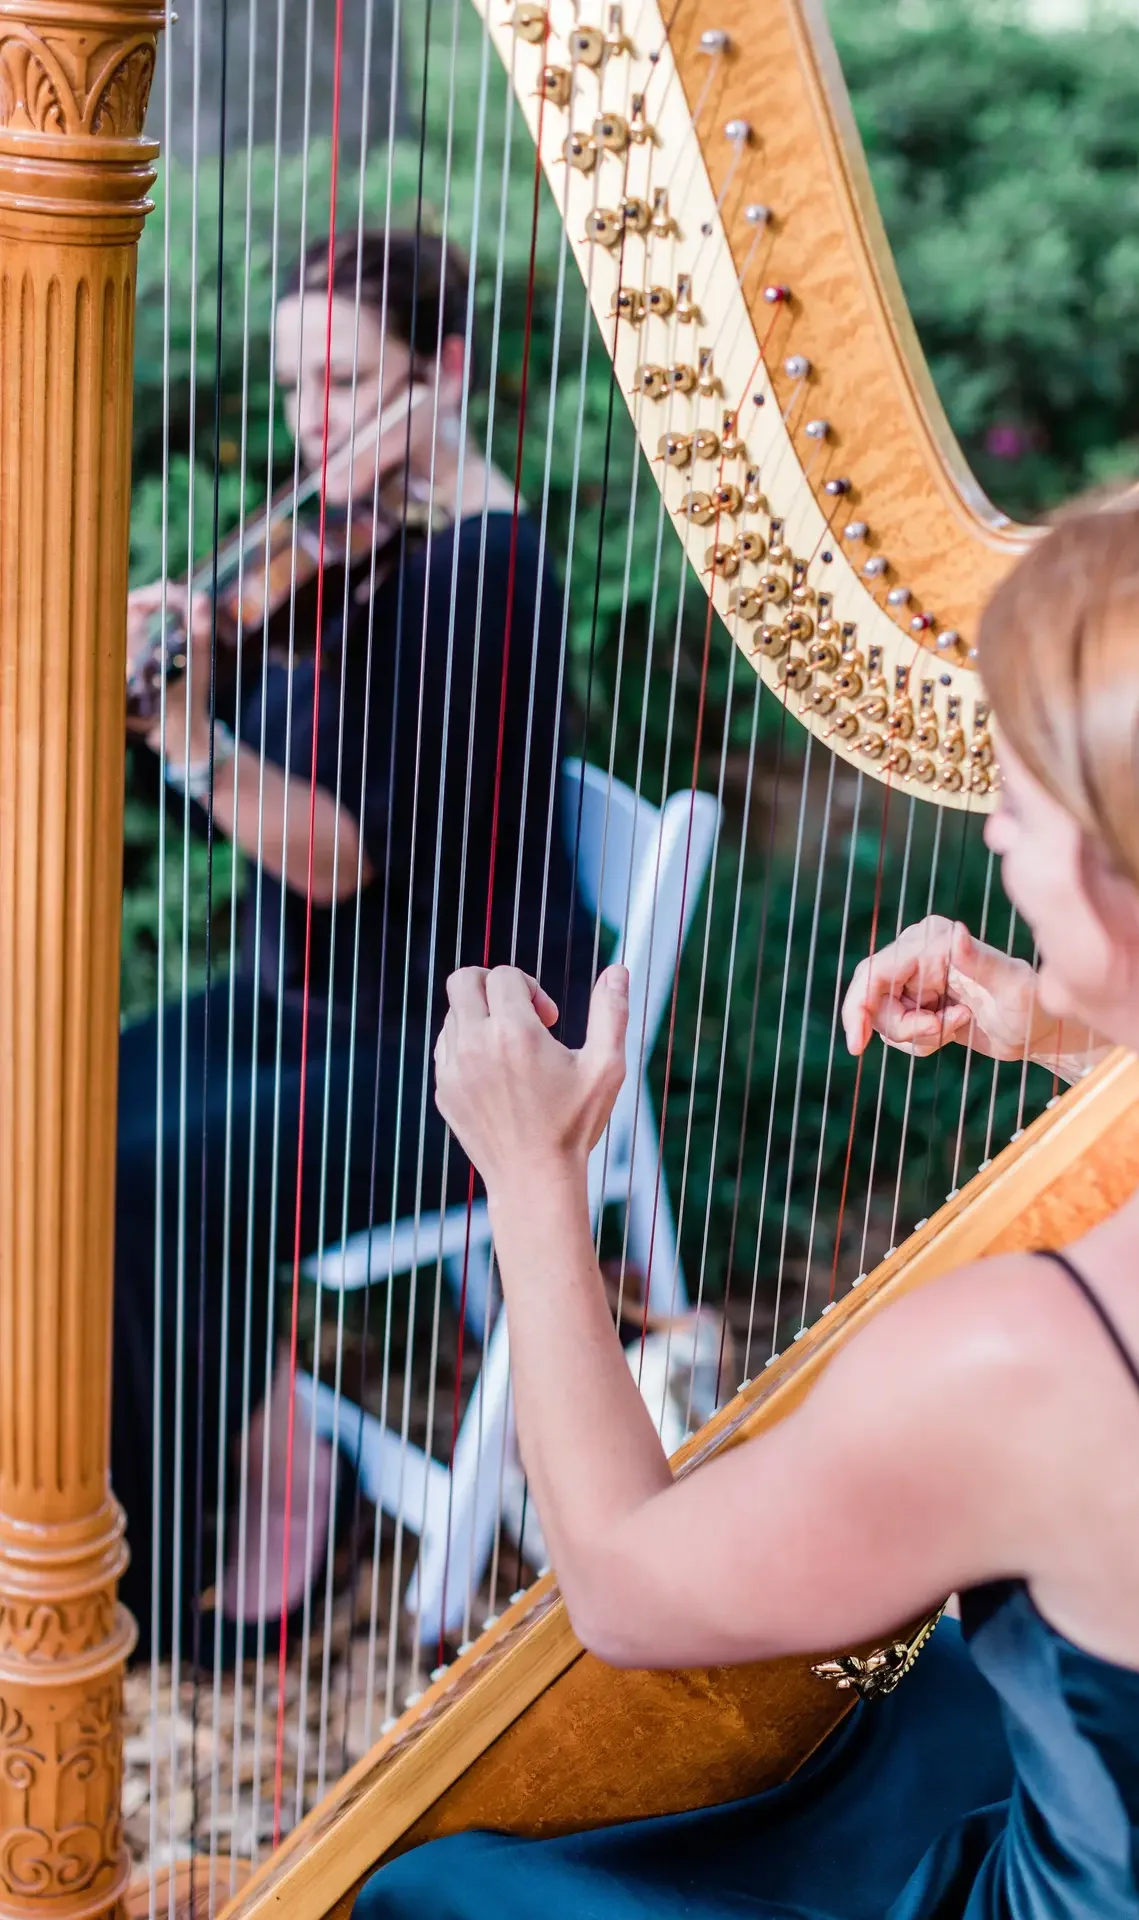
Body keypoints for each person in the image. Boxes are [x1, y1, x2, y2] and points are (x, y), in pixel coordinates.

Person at [354, 467, 1139, 1917]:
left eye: (1020, 800)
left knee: (437, 1895)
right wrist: (1086, 1020)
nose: (986, 834)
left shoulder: (1031, 1359)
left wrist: (533, 1179)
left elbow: (625, 1587)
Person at [116, 227, 597, 1663]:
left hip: (458, 1061)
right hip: (309, 1002)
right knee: (64, 1110)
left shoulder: (482, 576)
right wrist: (185, 637)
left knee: (150, 1173)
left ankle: (261, 1518)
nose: (313, 419)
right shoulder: (360, 537)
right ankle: (224, 1453)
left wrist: (194, 744)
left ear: (443, 376)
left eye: (347, 380)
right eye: (295, 386)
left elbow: (333, 860)